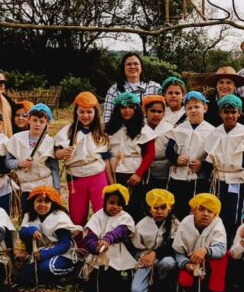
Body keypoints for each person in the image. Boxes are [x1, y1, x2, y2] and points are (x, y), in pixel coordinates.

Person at [202, 94, 244, 244]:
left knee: (236, 214)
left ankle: (236, 243)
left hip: (237, 179)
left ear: (239, 113)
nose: (230, 115)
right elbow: (209, 157)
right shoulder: (215, 132)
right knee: (217, 212)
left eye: (233, 112)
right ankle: (217, 243)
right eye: (226, 112)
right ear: (220, 113)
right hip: (218, 178)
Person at [55, 92, 112, 226]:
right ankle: (80, 244)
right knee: (77, 214)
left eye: (89, 112)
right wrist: (63, 153)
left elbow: (106, 159)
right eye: (81, 112)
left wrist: (111, 182)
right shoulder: (67, 131)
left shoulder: (100, 132)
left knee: (101, 210)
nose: (85, 116)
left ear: (95, 113)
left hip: (97, 174)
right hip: (76, 177)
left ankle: (101, 241)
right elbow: (56, 153)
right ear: (76, 112)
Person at [17, 186, 83, 286]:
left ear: (52, 203)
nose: (42, 205)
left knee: (45, 267)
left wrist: (46, 253)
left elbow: (65, 244)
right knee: (23, 277)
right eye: (39, 201)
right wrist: (31, 230)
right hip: (39, 253)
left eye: (47, 202)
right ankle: (49, 279)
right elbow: (22, 234)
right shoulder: (29, 215)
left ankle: (72, 270)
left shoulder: (59, 216)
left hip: (62, 253)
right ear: (33, 202)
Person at [105, 92, 156, 222]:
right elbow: (104, 153)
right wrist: (110, 178)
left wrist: (138, 174)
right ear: (117, 109)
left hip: (134, 175)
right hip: (115, 174)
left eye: (131, 107)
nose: (127, 110)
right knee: (116, 208)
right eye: (123, 107)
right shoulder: (110, 129)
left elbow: (150, 154)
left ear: (136, 109)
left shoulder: (143, 129)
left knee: (135, 208)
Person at [165, 92, 215, 219]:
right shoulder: (178, 129)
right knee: (178, 210)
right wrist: (176, 158)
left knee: (197, 209)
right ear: (185, 110)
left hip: (199, 179)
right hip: (178, 178)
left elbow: (214, 156)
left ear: (205, 108)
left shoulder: (212, 131)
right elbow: (169, 150)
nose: (193, 110)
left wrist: (203, 165)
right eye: (189, 108)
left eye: (197, 107)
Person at [4, 103, 60, 217]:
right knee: (28, 217)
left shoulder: (50, 142)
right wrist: (19, 163)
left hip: (45, 185)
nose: (37, 124)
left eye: (42, 122)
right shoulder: (17, 139)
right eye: (34, 120)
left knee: (46, 217)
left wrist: (56, 190)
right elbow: (7, 162)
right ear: (28, 119)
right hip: (26, 187)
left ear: (48, 123)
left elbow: (54, 169)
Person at [174, 193, 228, 292]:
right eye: (201, 209)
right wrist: (186, 264)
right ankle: (192, 290)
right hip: (192, 262)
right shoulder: (185, 223)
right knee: (186, 282)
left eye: (210, 211)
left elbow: (221, 249)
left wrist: (205, 250)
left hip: (210, 261)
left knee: (223, 257)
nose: (205, 214)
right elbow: (179, 252)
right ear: (194, 210)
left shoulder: (218, 223)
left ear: (215, 214)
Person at [83, 184, 138, 292]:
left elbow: (121, 231)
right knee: (97, 285)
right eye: (112, 203)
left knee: (121, 284)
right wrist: (95, 247)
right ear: (105, 202)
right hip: (99, 254)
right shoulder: (97, 216)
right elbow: (90, 236)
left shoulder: (125, 217)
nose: (116, 207)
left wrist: (108, 239)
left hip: (119, 253)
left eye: (120, 204)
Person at [131, 189, 179, 292]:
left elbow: (172, 246)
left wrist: (155, 253)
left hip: (164, 258)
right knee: (137, 291)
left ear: (170, 208)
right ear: (149, 210)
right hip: (145, 259)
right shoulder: (141, 225)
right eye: (155, 208)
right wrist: (146, 256)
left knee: (168, 263)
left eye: (163, 208)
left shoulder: (175, 224)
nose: (159, 212)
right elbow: (136, 247)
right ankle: (152, 285)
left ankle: (163, 284)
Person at [103, 53, 162, 123]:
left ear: (141, 67)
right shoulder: (114, 90)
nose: (132, 66)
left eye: (136, 63)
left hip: (151, 132)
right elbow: (107, 118)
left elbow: (164, 112)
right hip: (122, 132)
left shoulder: (155, 87)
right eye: (129, 64)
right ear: (123, 68)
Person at [142, 95, 174, 192]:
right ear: (145, 111)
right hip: (143, 170)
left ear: (164, 113)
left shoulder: (170, 128)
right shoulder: (139, 127)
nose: (156, 114)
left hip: (165, 171)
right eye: (152, 111)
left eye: (159, 112)